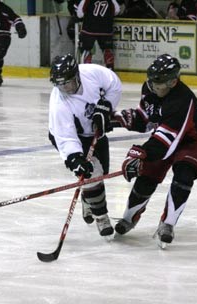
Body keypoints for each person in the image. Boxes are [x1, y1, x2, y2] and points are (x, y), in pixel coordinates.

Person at [114, 54, 197, 248]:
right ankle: (129, 218)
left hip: (195, 142)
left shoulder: (182, 100)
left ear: (173, 82)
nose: (154, 87)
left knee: (183, 176)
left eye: (159, 84)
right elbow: (144, 119)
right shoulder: (151, 87)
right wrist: (114, 119)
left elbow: (165, 142)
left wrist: (140, 154)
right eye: (152, 82)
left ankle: (168, 224)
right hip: (167, 137)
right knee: (146, 178)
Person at [48, 54, 122, 238]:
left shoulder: (92, 73)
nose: (64, 88)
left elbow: (114, 85)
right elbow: (66, 137)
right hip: (71, 136)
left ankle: (87, 197)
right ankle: (101, 217)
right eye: (60, 85)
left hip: (95, 131)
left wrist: (106, 107)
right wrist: (75, 158)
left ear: (77, 75)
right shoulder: (59, 103)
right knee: (91, 172)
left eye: (68, 83)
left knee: (102, 171)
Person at [75, 0, 120, 70]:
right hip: (106, 30)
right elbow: (117, 10)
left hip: (89, 29)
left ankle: (87, 71)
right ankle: (110, 70)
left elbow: (79, 14)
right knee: (107, 51)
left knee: (86, 50)